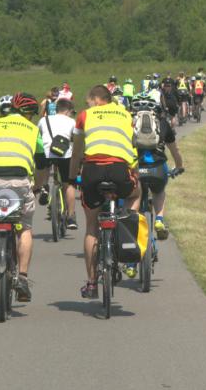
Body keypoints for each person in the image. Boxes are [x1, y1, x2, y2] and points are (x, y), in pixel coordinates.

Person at [0, 92, 44, 301]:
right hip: (20, 181)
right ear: (28, 113)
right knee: (25, 228)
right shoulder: (33, 129)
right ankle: (23, 277)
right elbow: (41, 164)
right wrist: (38, 187)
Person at [71, 85, 139, 298]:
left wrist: (72, 177)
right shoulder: (126, 115)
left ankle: (92, 284)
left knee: (91, 227)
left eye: (88, 101)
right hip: (119, 169)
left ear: (96, 99)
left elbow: (77, 152)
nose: (87, 105)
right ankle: (127, 223)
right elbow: (132, 145)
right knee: (136, 193)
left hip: (93, 171)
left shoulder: (85, 115)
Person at [130, 93, 184, 242]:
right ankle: (159, 219)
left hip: (136, 167)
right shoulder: (162, 123)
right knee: (159, 191)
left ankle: (130, 221)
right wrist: (179, 166)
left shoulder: (128, 123)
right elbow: (175, 150)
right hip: (157, 167)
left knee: (131, 194)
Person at [35, 98, 78, 230]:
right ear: (68, 111)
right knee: (69, 184)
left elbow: (38, 135)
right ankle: (71, 217)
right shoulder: (71, 121)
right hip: (64, 155)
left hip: (46, 153)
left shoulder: (44, 120)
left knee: (44, 165)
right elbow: (76, 138)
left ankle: (44, 187)